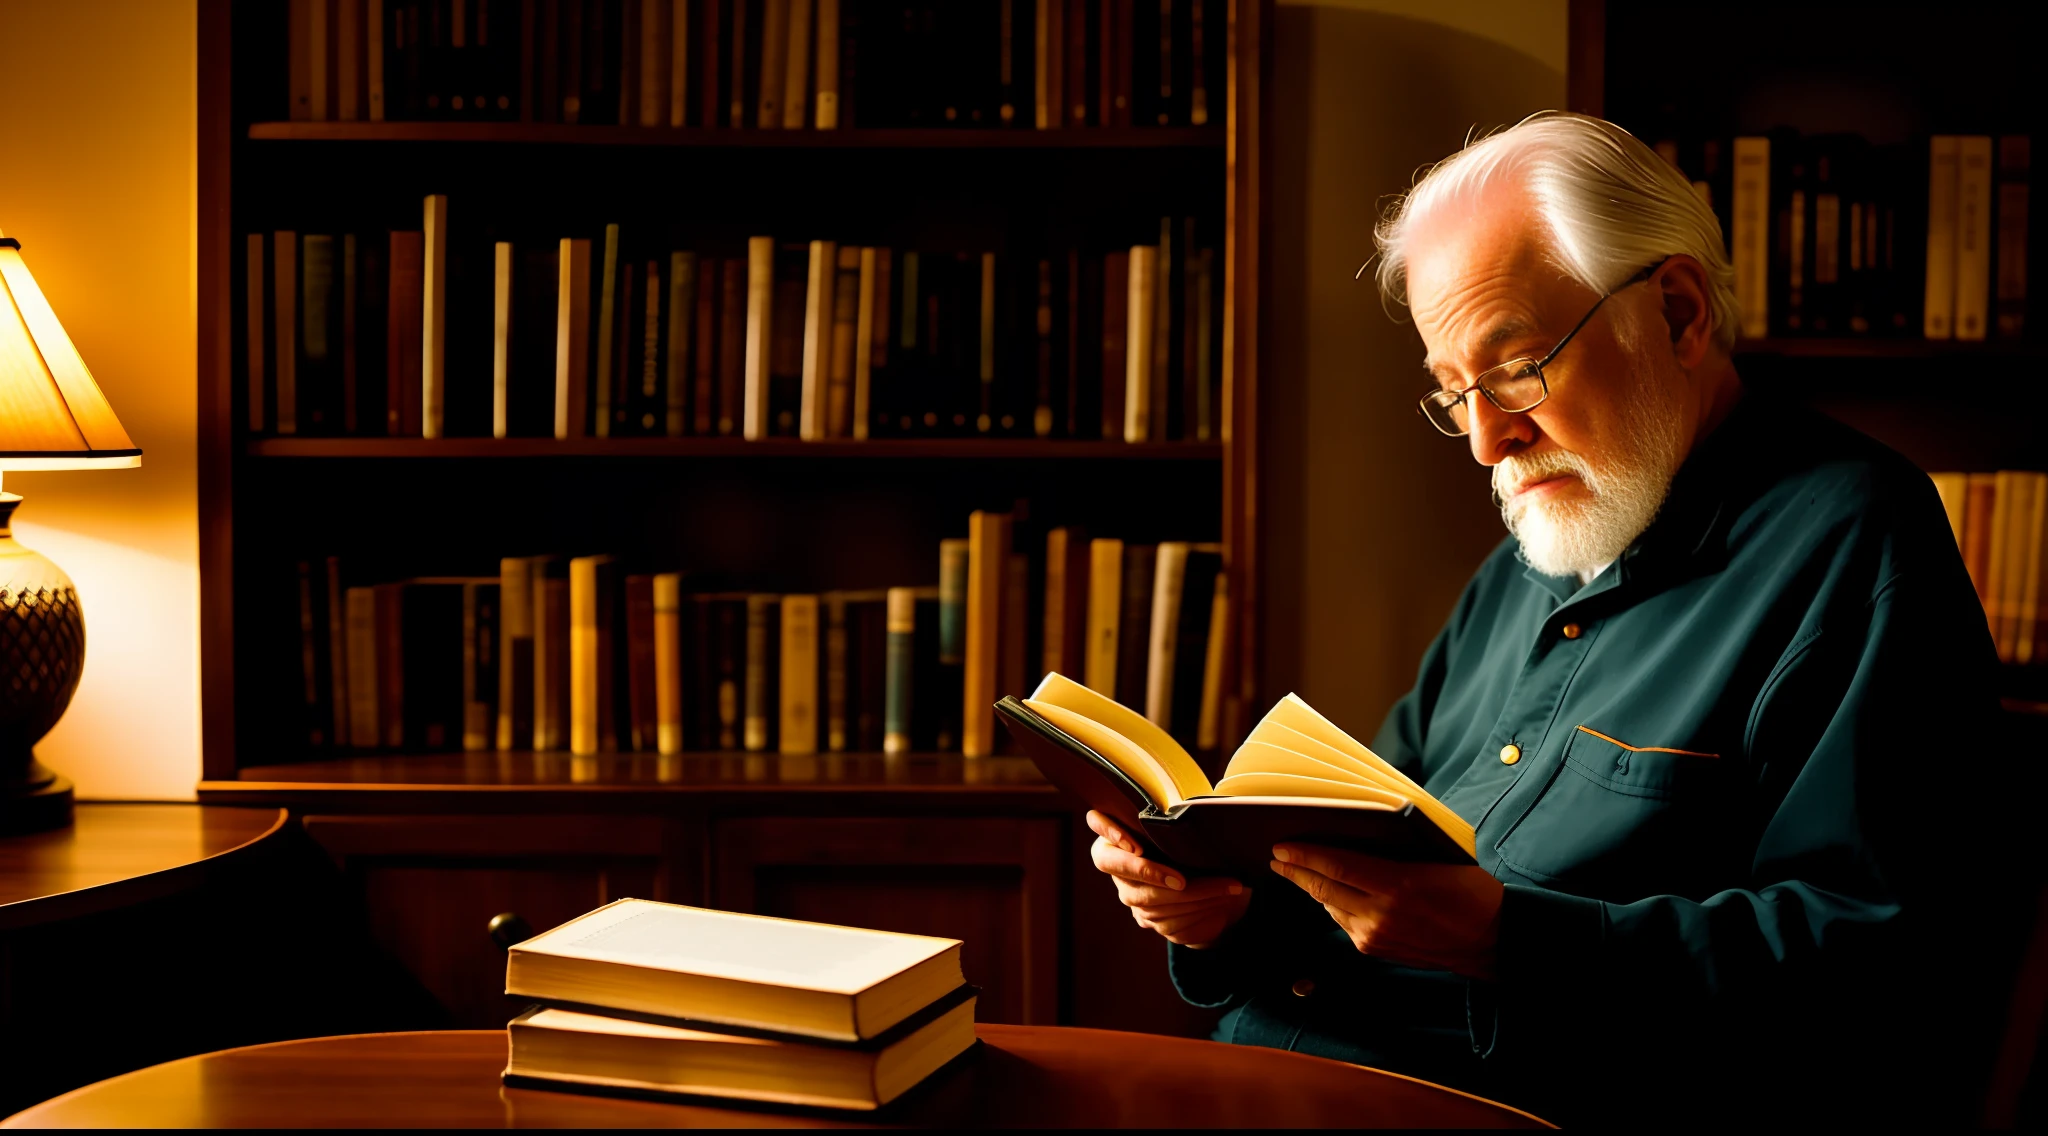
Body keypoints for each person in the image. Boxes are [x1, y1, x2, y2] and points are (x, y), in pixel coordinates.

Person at [1086, 111, 2026, 1125]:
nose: (1487, 441)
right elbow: (1358, 864)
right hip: (1281, 1072)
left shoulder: (1852, 539)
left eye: (1517, 367)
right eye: (1454, 393)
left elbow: (1878, 966)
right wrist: (1226, 915)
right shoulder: (1530, 557)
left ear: (1675, 313)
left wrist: (1505, 941)